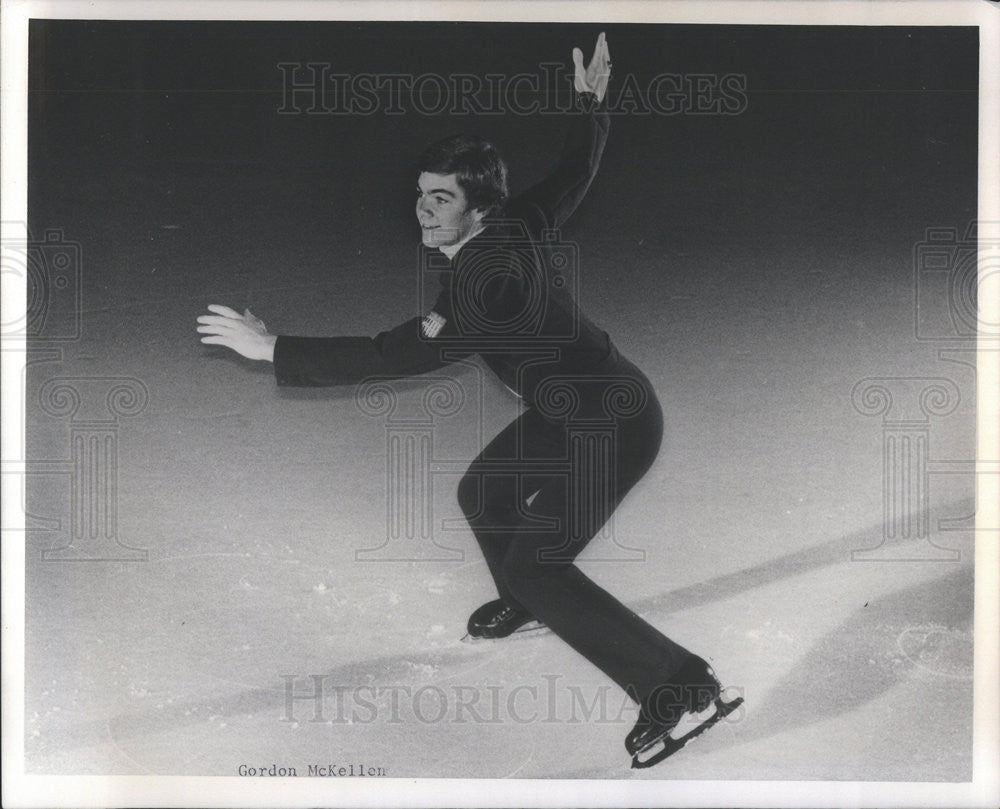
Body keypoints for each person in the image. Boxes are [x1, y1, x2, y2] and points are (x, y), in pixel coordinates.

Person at [197, 32, 741, 768]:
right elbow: (575, 173)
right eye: (421, 193)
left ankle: (679, 684)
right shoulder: (517, 220)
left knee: (539, 562)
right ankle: (527, 598)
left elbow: (398, 354)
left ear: (478, 207)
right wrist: (593, 104)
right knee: (484, 491)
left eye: (440, 198)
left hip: (611, 428)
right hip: (579, 407)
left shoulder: (484, 282)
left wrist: (277, 350)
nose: (421, 209)